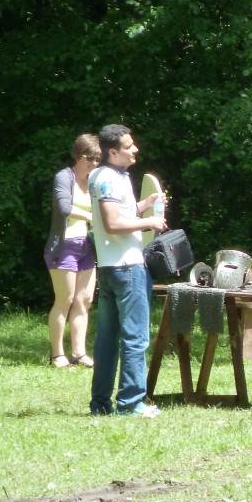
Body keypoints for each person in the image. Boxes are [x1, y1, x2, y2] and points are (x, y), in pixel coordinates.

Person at [88, 124, 167, 418]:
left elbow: (120, 213)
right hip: (127, 268)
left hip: (110, 267)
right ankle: (131, 403)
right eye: (128, 146)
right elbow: (112, 223)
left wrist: (146, 205)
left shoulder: (106, 176)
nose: (135, 149)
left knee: (107, 340)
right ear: (112, 152)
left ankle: (100, 404)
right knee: (135, 338)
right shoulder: (109, 178)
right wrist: (150, 223)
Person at [44, 134, 101, 368]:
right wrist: (91, 216)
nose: (94, 163)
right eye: (89, 158)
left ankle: (79, 353)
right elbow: (64, 207)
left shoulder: (94, 180)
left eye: (97, 159)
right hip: (63, 246)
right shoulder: (64, 177)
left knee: (84, 300)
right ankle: (57, 355)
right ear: (77, 155)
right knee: (65, 299)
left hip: (88, 246)